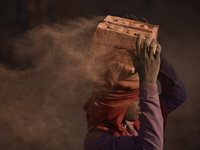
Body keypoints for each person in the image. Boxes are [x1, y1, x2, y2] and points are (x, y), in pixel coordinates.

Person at [83, 22, 187, 150]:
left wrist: (154, 56)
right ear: (117, 105)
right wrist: (148, 82)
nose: (142, 103)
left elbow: (177, 96)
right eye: (139, 98)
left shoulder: (131, 121)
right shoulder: (99, 141)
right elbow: (151, 146)